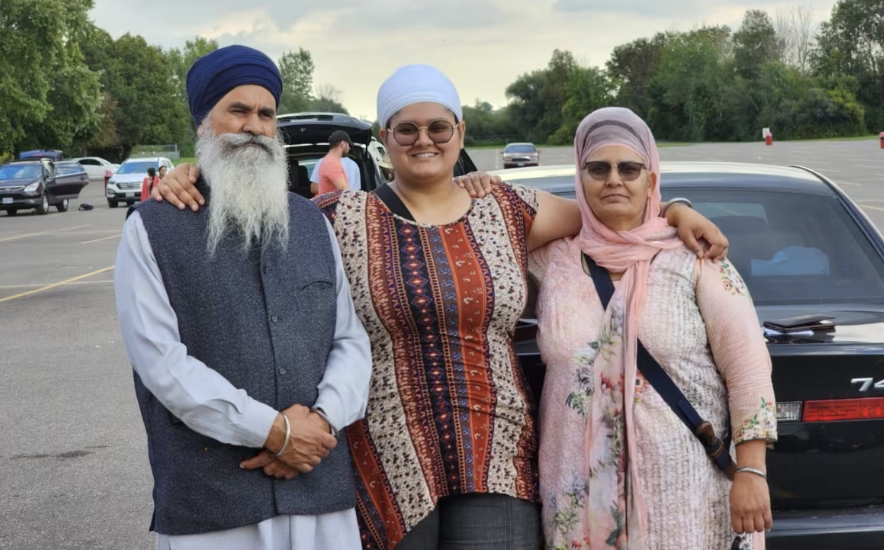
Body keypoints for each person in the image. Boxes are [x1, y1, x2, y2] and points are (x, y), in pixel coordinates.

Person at [154, 65, 728, 550]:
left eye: (437, 127)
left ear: (460, 132)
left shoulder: (507, 208)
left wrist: (677, 209)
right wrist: (189, 177)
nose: (423, 140)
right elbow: (246, 213)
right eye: (406, 129)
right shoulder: (340, 217)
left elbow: (612, 210)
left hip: (496, 449)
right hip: (385, 454)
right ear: (385, 136)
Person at [114, 44, 372, 550]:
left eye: (266, 114)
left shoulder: (311, 223)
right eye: (238, 110)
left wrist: (319, 422)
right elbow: (161, 363)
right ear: (203, 123)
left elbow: (349, 341)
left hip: (318, 489)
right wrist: (274, 432)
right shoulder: (152, 229)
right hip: (212, 506)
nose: (254, 126)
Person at [529, 107, 776, 550]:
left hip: (686, 495)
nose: (614, 180)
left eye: (629, 169)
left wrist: (752, 471)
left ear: (651, 177)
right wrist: (477, 184)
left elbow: (748, 370)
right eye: (598, 169)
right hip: (577, 496)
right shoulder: (552, 261)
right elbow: (480, 234)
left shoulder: (696, 258)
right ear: (580, 177)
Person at [311, 131, 361, 196]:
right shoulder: (331, 163)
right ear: (343, 144)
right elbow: (345, 191)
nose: (349, 148)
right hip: (334, 202)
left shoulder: (326, 161)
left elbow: (314, 188)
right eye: (348, 145)